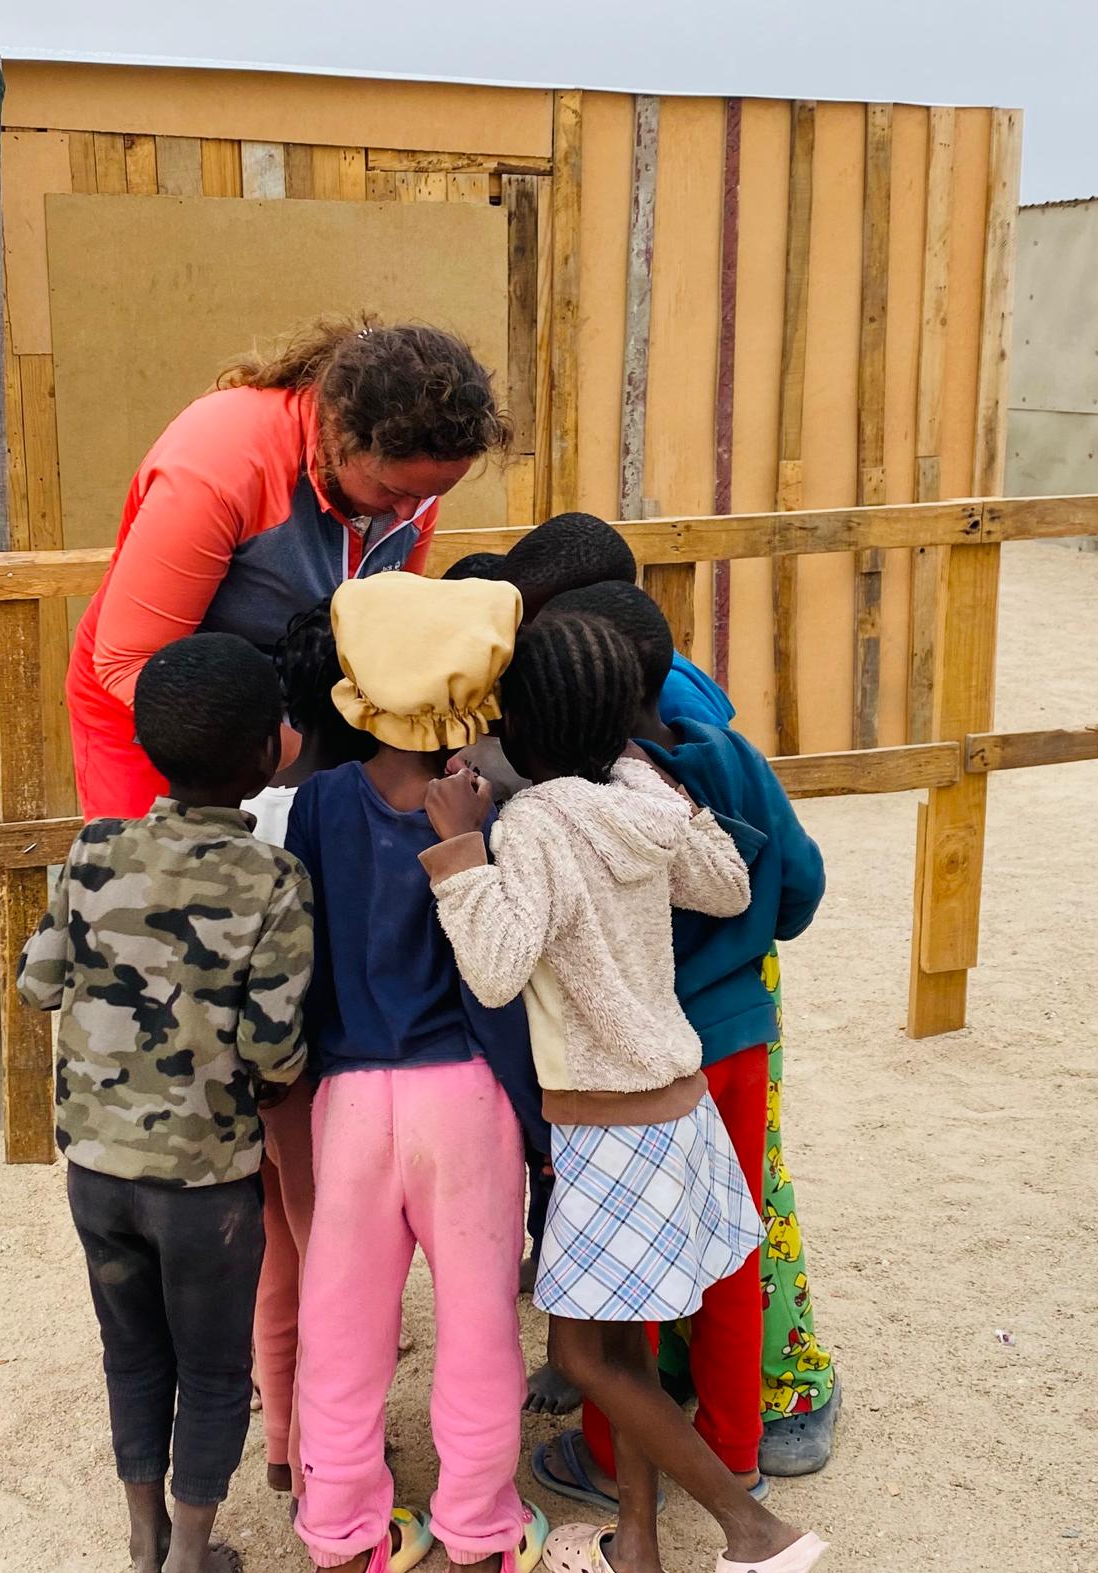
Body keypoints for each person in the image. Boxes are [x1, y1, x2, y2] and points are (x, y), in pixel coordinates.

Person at [422, 608, 827, 1573]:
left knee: (585, 1354)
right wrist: (652, 784)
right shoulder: (638, 800)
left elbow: (499, 967)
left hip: (607, 1127)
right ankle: (635, 1556)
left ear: (518, 724)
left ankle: (751, 1529)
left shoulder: (533, 827)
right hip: (675, 1106)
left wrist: (460, 853)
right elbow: (728, 884)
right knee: (625, 1342)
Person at [16, 636, 313, 1573]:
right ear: (270, 752)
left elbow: (39, 983)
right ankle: (192, 1570)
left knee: (132, 1354)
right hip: (207, 1185)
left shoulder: (94, 849)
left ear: (148, 746)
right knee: (215, 1369)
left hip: (98, 1171)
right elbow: (272, 1049)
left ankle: (144, 1553)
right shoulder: (272, 877)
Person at [528, 582, 831, 1510]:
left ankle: (613, 1459)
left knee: (638, 1264)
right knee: (733, 1255)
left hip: (659, 1057)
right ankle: (737, 1450)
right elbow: (799, 888)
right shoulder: (730, 753)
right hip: (744, 1033)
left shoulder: (591, 798)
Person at [289, 572, 549, 1573]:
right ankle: (477, 1543)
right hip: (466, 1098)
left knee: (341, 1325)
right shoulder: (493, 809)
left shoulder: (316, 804)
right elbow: (502, 987)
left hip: (350, 1098)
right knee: (479, 1323)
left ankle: (340, 1548)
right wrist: (536, 1122)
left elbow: (303, 955)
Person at [65, 320, 509, 819]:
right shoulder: (217, 466)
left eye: (431, 496)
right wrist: (277, 750)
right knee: (161, 866)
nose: (410, 515)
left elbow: (382, 632)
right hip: (164, 706)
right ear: (339, 435)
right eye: (394, 492)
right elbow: (130, 661)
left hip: (290, 716)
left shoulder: (411, 472)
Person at [249, 602, 380, 1505]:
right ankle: (324, 1465)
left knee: (278, 1253)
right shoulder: (372, 809)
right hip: (319, 1078)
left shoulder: (249, 809)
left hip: (250, 1082)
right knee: (330, 1263)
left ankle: (281, 1443)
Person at [495, 509, 733, 726]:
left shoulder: (676, 703)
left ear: (595, 616)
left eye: (525, 625)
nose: (510, 636)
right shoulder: (586, 673)